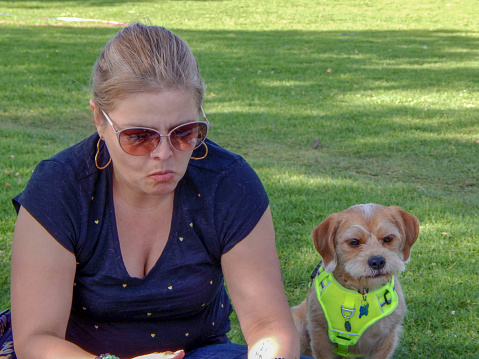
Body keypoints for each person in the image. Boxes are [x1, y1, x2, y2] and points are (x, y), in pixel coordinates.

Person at [9, 23, 309, 359]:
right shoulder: (61, 188)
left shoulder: (227, 183)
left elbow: (268, 324)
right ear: (99, 120)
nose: (164, 154)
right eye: (139, 136)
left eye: (184, 132)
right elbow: (36, 339)